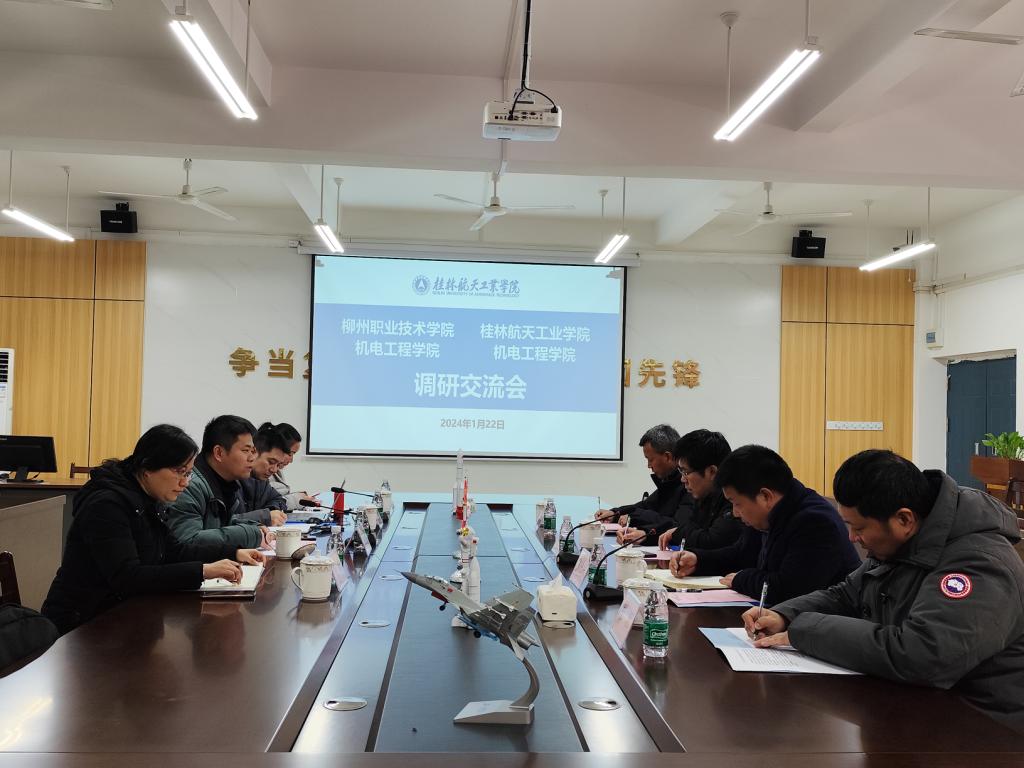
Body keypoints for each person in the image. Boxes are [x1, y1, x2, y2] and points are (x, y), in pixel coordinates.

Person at [745, 449, 1024, 734]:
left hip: (982, 732)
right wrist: (785, 615)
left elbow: (924, 655)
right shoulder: (902, 542)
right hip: (913, 712)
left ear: (904, 519)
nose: (852, 538)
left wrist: (805, 631)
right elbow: (846, 593)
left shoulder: (979, 564)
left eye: (859, 528)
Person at [41, 425, 263, 635]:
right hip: (83, 624)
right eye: (179, 472)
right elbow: (128, 577)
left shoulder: (147, 497)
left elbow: (174, 550)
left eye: (188, 473)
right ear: (148, 467)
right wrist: (202, 571)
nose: (185, 482)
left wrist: (232, 552)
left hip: (123, 617)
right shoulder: (107, 505)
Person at [669, 445, 860, 604]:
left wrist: (741, 579)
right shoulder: (768, 514)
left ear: (765, 496)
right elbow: (741, 554)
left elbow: (789, 589)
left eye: (737, 504)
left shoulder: (815, 522)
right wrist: (698, 560)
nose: (735, 513)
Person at [165, 415, 268, 560]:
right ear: (219, 453)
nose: (252, 458)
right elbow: (187, 542)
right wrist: (249, 533)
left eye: (253, 451)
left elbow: (215, 524)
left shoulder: (228, 482)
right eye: (246, 451)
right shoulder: (188, 486)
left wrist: (252, 526)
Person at [653, 429, 743, 550]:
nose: (682, 479)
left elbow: (712, 540)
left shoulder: (734, 499)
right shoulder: (704, 496)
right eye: (681, 472)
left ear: (712, 472)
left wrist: (677, 533)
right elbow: (690, 526)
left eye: (685, 472)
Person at [597, 424, 693, 537]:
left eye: (650, 460)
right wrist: (615, 513)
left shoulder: (689, 486)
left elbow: (677, 526)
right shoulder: (668, 482)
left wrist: (637, 521)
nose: (648, 466)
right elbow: (644, 506)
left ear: (667, 457)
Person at [236, 423, 290, 526]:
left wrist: (272, 511)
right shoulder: (232, 480)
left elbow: (278, 499)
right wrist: (265, 517)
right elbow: (227, 521)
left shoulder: (261, 482)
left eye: (278, 465)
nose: (274, 470)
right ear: (254, 452)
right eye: (271, 462)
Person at [266, 423, 316, 510]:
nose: (291, 460)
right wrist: (297, 499)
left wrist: (297, 496)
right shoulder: (263, 473)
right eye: (290, 454)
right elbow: (269, 503)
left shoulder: (277, 471)